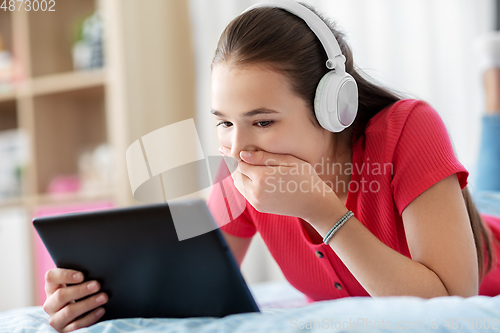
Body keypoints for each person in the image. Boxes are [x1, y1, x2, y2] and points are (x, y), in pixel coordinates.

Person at [41, 1, 500, 332]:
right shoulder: (242, 176)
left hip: (486, 234)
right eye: (224, 123)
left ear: (332, 108)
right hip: (446, 204)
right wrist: (92, 299)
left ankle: (493, 90)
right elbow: (188, 287)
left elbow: (451, 306)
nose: (239, 148)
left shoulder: (408, 127)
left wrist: (324, 213)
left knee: (489, 181)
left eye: (262, 121)